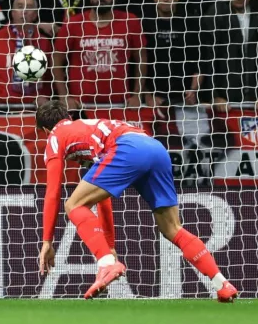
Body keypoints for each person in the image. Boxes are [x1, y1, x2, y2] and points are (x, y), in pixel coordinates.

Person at [34, 100, 239, 302]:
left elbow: (53, 192)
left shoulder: (55, 137)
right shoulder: (88, 129)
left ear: (45, 129)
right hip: (155, 147)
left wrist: (47, 241)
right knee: (172, 228)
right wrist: (110, 246)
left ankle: (106, 265)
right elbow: (102, 199)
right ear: (69, 117)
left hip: (127, 148)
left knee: (74, 205)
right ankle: (222, 285)